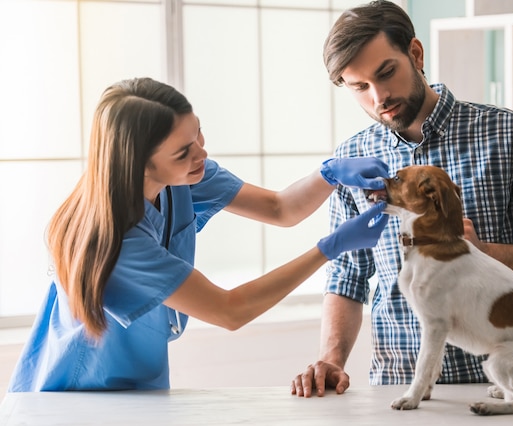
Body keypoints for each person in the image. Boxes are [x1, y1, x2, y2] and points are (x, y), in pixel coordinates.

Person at [291, 0, 513, 398]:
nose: (379, 97)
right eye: (360, 87)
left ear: (415, 54)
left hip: (498, 385)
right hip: (397, 390)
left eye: (386, 73)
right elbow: (347, 277)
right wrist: (331, 359)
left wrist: (483, 251)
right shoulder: (352, 161)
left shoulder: (510, 134)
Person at [8, 77, 391, 392]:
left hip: (141, 386)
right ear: (139, 163)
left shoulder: (183, 176)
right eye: (182, 151)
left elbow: (280, 208)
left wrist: (328, 174)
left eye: (198, 135)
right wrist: (330, 248)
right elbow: (229, 310)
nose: (200, 154)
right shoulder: (115, 239)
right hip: (77, 395)